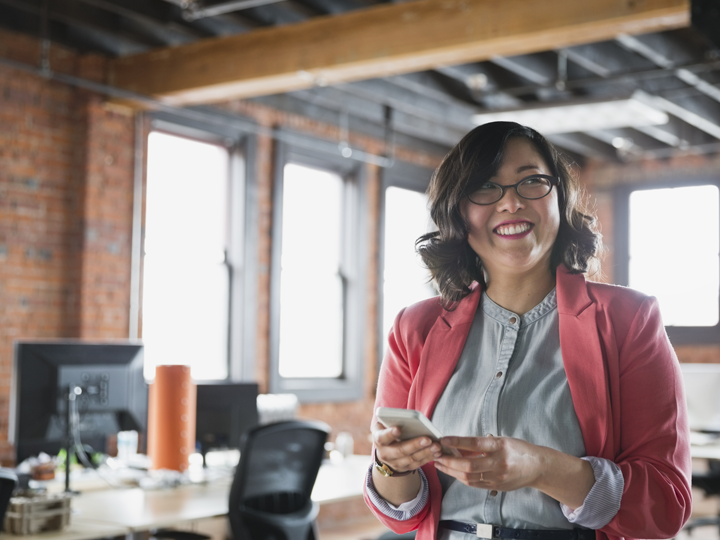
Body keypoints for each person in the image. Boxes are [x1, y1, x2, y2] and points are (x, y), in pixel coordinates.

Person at [363, 122, 691, 540]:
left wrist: (542, 467)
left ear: (559, 197)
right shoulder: (415, 328)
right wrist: (390, 463)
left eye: (531, 181)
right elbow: (401, 516)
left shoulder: (630, 319)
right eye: (485, 187)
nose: (511, 203)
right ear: (458, 212)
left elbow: (665, 504)